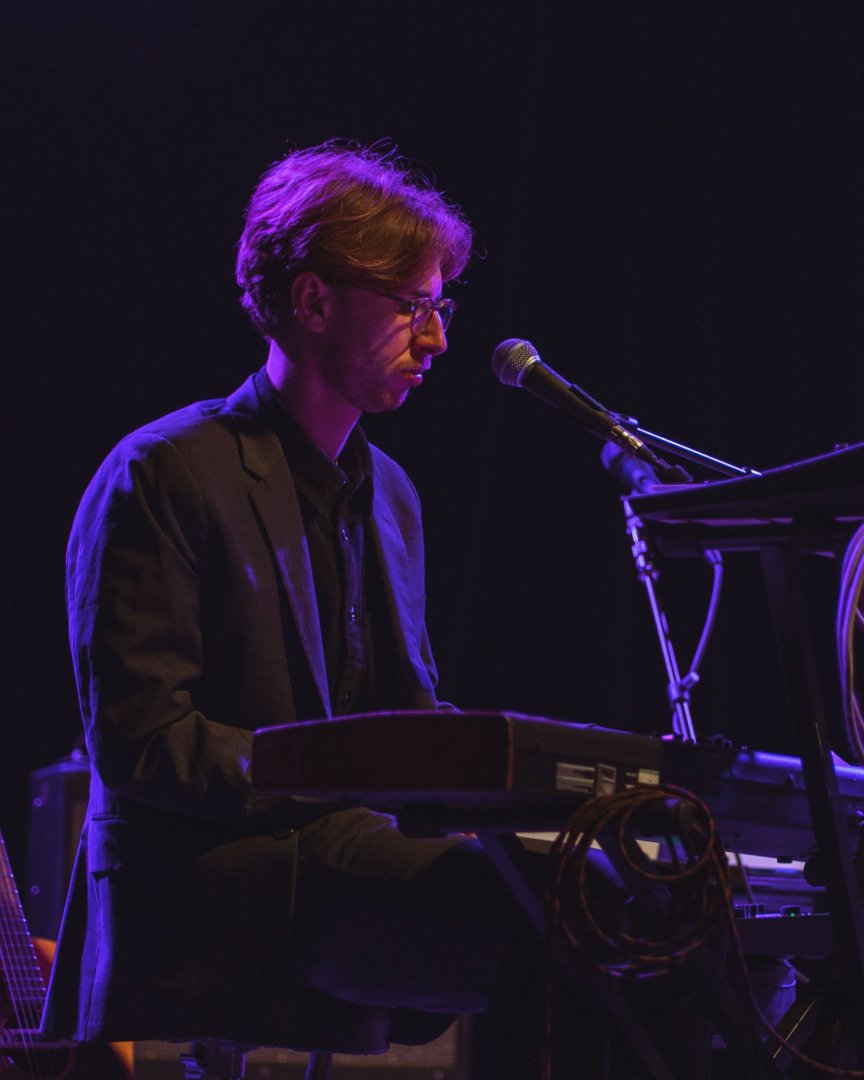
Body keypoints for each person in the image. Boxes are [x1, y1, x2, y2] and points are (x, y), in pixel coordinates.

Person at [42, 141, 568, 1075]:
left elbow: (410, 717)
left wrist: (542, 790)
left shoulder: (393, 494)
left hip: (337, 864)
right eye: (413, 307)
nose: (438, 337)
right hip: (219, 886)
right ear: (313, 300)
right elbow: (144, 743)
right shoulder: (162, 473)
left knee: (608, 900)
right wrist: (336, 770)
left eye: (440, 307)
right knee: (531, 920)